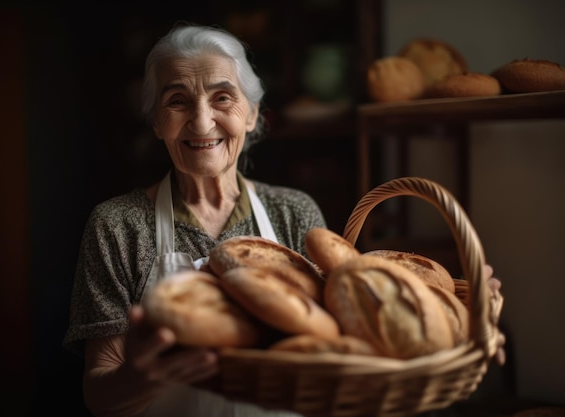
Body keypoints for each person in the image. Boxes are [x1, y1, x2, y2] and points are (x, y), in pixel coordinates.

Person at [63, 23, 505, 417]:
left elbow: (343, 341)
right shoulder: (117, 226)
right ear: (157, 122)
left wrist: (455, 320)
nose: (201, 122)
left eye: (223, 98)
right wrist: (148, 376)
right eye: (177, 101)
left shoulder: (294, 213)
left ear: (252, 115)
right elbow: (99, 396)